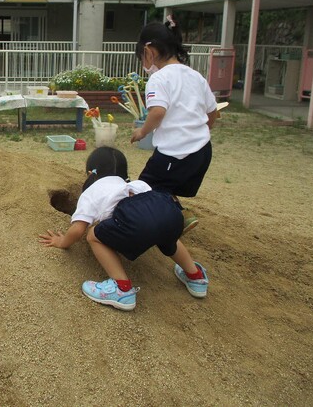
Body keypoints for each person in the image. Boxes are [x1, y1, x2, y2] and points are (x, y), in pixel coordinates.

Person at [39, 147, 209, 311]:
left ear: (91, 174)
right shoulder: (136, 184)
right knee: (167, 236)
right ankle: (195, 277)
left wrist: (61, 241)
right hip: (169, 213)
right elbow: (152, 208)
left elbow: (77, 230)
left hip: (135, 224)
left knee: (92, 235)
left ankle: (122, 289)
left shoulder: (90, 193)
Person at [130, 16, 218, 231]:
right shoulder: (195, 76)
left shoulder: (159, 79)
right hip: (202, 152)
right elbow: (213, 113)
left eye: (142, 55)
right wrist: (198, 132)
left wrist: (142, 131)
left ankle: (177, 218)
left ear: (149, 50)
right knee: (165, 187)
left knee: (144, 188)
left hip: (176, 153)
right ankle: (176, 213)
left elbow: (158, 111)